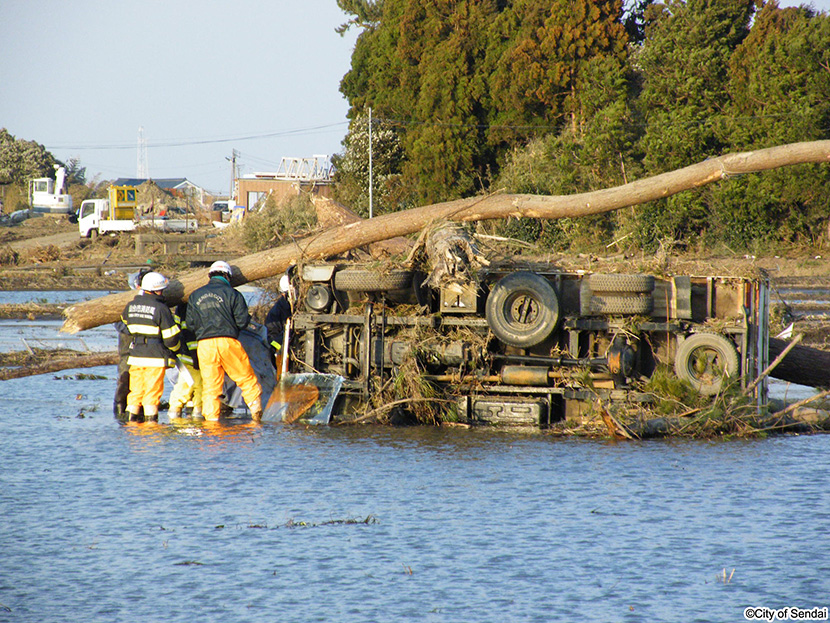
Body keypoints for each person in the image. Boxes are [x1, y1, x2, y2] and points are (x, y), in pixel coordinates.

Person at [186, 260, 263, 421]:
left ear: (210, 275)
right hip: (228, 342)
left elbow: (191, 324)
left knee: (211, 388)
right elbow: (242, 322)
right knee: (246, 379)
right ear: (227, 276)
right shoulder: (233, 294)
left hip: (204, 345)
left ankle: (211, 424)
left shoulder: (195, 295)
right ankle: (256, 415)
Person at [121, 271, 180, 421]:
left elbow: (126, 324)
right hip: (155, 357)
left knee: (135, 392)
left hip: (136, 356)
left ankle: (131, 427)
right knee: (151, 394)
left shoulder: (130, 306)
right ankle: (151, 428)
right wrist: (177, 350)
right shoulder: (161, 309)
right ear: (157, 290)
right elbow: (171, 338)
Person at [113, 267, 150, 419]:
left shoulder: (156, 300)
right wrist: (131, 329)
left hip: (147, 347)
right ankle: (121, 409)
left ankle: (139, 410)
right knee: (125, 374)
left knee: (146, 379)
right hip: (129, 340)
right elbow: (116, 321)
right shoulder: (126, 299)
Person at [167, 301, 203, 420]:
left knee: (197, 384)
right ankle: (177, 411)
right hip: (192, 354)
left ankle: (194, 410)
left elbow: (177, 328)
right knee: (189, 384)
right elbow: (189, 332)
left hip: (188, 353)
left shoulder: (181, 306)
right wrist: (194, 354)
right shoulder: (192, 307)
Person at [265, 274, 293, 380]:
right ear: (283, 294)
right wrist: (282, 344)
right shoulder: (276, 313)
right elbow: (271, 338)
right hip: (283, 351)